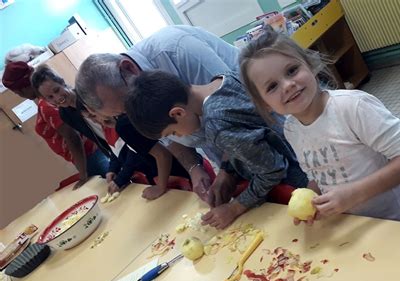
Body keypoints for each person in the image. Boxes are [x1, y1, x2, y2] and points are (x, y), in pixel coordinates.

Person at [239, 29, 400, 224]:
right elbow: (319, 175)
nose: (287, 85)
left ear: (310, 65)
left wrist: (355, 194)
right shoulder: (291, 129)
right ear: (265, 104)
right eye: (272, 86)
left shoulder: (352, 108)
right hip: (345, 226)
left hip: (393, 222)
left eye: (292, 70)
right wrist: (312, 198)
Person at [124, 69, 309, 229]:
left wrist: (233, 208)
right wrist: (227, 170)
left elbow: (272, 171)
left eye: (173, 131)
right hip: (303, 150)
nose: (179, 137)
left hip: (297, 181)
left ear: (178, 113)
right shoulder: (224, 79)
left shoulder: (217, 125)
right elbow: (245, 137)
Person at [75, 25, 240, 202]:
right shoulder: (133, 97)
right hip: (229, 155)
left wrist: (226, 172)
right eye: (122, 113)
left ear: (129, 68)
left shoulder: (177, 50)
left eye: (127, 104)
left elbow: (237, 116)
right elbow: (169, 140)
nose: (132, 113)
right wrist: (194, 168)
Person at [31, 64, 189, 199]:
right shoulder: (67, 114)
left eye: (57, 90)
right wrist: (114, 168)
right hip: (145, 166)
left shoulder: (112, 116)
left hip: (167, 167)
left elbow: (142, 146)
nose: (57, 98)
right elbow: (109, 143)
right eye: (50, 97)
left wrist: (123, 178)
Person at [1, 61, 105, 189]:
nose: (21, 96)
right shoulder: (46, 102)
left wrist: (83, 175)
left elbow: (73, 137)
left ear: (24, 88)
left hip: (90, 157)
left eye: (19, 92)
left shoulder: (46, 105)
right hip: (91, 156)